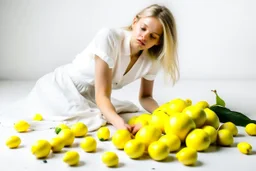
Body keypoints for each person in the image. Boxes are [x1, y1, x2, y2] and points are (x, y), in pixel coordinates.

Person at [0, 4, 179, 134]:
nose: (144, 36)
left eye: (153, 36)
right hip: (62, 87)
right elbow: (103, 96)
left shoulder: (152, 60)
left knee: (127, 111)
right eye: (143, 28)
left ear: (158, 42)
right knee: (93, 122)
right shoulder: (109, 37)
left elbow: (146, 97)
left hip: (92, 95)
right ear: (135, 21)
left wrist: (164, 116)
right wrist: (119, 124)